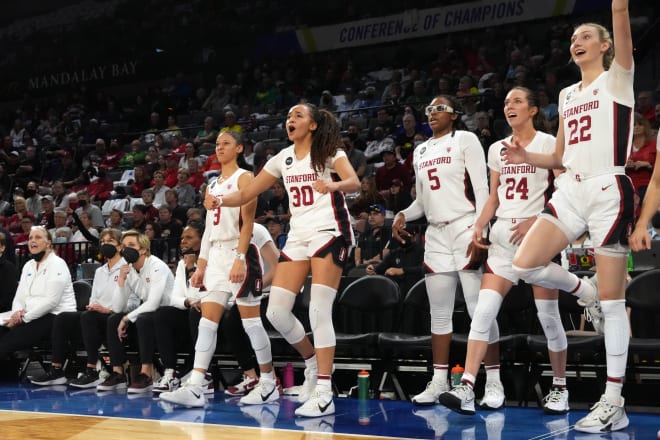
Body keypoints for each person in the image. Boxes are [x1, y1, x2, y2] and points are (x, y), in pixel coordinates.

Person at [501, 2, 633, 432]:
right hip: (571, 188)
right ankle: (584, 289)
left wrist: (618, 8)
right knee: (524, 264)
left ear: (605, 45)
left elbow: (621, 25)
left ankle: (613, 400)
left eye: (585, 37)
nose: (576, 42)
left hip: (608, 188)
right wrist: (527, 155)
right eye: (573, 38)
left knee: (615, 305)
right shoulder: (566, 94)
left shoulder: (619, 77)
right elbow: (558, 155)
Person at [202, 104, 359, 417]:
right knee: (275, 311)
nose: (291, 120)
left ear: (313, 125)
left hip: (330, 230)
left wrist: (334, 185)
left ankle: (325, 391)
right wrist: (218, 199)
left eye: (298, 116)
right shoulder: (282, 158)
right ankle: (312, 364)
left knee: (318, 308)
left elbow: (354, 182)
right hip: (299, 235)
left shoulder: (329, 151)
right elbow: (247, 194)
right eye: (288, 116)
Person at [439, 87, 569, 416]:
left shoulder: (548, 144)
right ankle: (468, 385)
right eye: (507, 102)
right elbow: (494, 197)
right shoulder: (497, 148)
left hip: (538, 238)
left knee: (549, 319)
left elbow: (565, 190)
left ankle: (559, 388)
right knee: (482, 313)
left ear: (533, 109)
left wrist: (539, 220)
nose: (509, 106)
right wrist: (479, 226)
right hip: (502, 241)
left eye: (517, 101)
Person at [160, 131, 276, 408]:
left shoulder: (245, 178)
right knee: (206, 322)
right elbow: (210, 230)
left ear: (239, 148)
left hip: (240, 252)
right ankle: (197, 385)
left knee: (251, 323)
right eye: (217, 144)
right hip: (216, 256)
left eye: (226, 143)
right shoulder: (212, 185)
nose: (220, 147)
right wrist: (201, 266)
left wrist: (239, 257)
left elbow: (248, 223)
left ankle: (268, 381)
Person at [391, 95, 491, 406]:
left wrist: (481, 232)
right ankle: (438, 380)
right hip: (435, 233)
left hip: (465, 225)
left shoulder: (465, 139)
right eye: (428, 109)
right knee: (439, 314)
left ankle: (495, 382)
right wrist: (403, 215)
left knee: (479, 309)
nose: (432, 113)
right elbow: (420, 203)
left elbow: (483, 188)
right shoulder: (420, 151)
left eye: (439, 109)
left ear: (455, 115)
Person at [30, 229, 134, 387]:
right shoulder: (99, 271)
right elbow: (94, 298)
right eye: (103, 241)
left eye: (110, 241)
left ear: (120, 247)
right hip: (97, 314)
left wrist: (108, 309)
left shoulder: (128, 268)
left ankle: (92, 370)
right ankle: (56, 369)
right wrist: (93, 306)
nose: (105, 244)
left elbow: (133, 301)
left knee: (88, 317)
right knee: (63, 317)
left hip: (116, 314)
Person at [95, 230, 175, 393]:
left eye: (131, 245)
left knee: (142, 318)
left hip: (168, 316)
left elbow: (153, 303)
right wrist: (122, 280)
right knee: (114, 319)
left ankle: (146, 374)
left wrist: (127, 319)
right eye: (124, 246)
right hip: (149, 317)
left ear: (143, 249)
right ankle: (118, 373)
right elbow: (117, 307)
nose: (126, 249)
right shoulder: (129, 269)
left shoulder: (157, 265)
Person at [0, 227, 76, 360]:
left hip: (56, 316)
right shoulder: (28, 265)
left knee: (6, 342)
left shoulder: (57, 264)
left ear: (48, 243)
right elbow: (20, 296)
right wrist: (17, 313)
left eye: (38, 237)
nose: (32, 241)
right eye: (30, 238)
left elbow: (51, 302)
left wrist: (23, 319)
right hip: (28, 315)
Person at [626, 112, 657, 217]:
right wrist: (624, 165)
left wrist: (647, 164)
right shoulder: (625, 147)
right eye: (634, 125)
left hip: (648, 186)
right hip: (629, 187)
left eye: (640, 124)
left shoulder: (654, 145)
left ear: (645, 126)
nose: (637, 127)